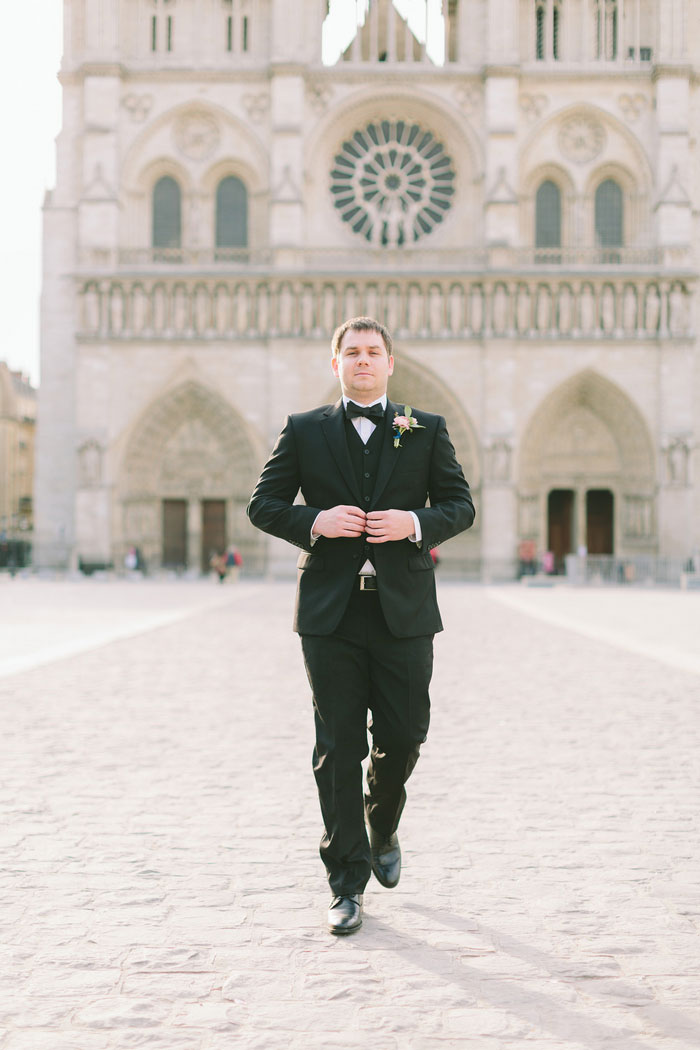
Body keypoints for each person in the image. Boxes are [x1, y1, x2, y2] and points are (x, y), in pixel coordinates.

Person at [247, 317, 475, 935]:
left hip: (402, 612)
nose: (363, 361)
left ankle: (384, 821)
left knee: (404, 736)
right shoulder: (304, 430)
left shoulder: (426, 429)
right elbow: (262, 504)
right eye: (352, 352)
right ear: (336, 364)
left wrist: (416, 523)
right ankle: (345, 882)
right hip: (331, 615)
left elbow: (461, 506)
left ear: (390, 363)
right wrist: (315, 521)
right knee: (337, 747)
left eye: (373, 352)